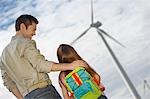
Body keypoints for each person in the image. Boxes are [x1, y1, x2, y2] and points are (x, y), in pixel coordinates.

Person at [0, 14, 88, 99]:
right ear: (22, 26)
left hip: (28, 96)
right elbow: (41, 65)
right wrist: (71, 66)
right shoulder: (25, 43)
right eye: (33, 29)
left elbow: (9, 83)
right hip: (44, 92)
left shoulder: (3, 55)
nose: (34, 33)